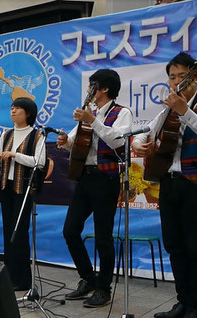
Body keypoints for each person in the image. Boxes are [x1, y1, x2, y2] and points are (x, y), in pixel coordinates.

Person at [132, 52, 197, 318]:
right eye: (172, 77)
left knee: (196, 247)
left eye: (182, 76)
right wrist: (139, 143)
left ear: (195, 77)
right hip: (170, 184)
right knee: (174, 245)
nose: (176, 82)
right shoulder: (165, 113)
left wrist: (185, 110)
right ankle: (182, 302)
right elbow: (142, 133)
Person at [58, 69, 132, 307]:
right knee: (70, 230)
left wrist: (93, 121)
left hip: (105, 179)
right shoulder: (90, 113)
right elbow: (75, 142)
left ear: (104, 88)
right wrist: (66, 142)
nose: (89, 90)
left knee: (103, 236)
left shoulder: (122, 113)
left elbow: (119, 142)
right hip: (85, 177)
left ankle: (103, 288)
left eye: (92, 86)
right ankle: (88, 278)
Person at [0, 97, 46, 291]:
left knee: (19, 232)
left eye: (18, 108)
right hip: (6, 186)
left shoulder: (37, 135)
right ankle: (9, 275)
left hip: (24, 187)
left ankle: (22, 280)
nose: (13, 111)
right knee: (7, 230)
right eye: (12, 108)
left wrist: (14, 155)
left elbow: (39, 162)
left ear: (28, 113)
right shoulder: (6, 134)